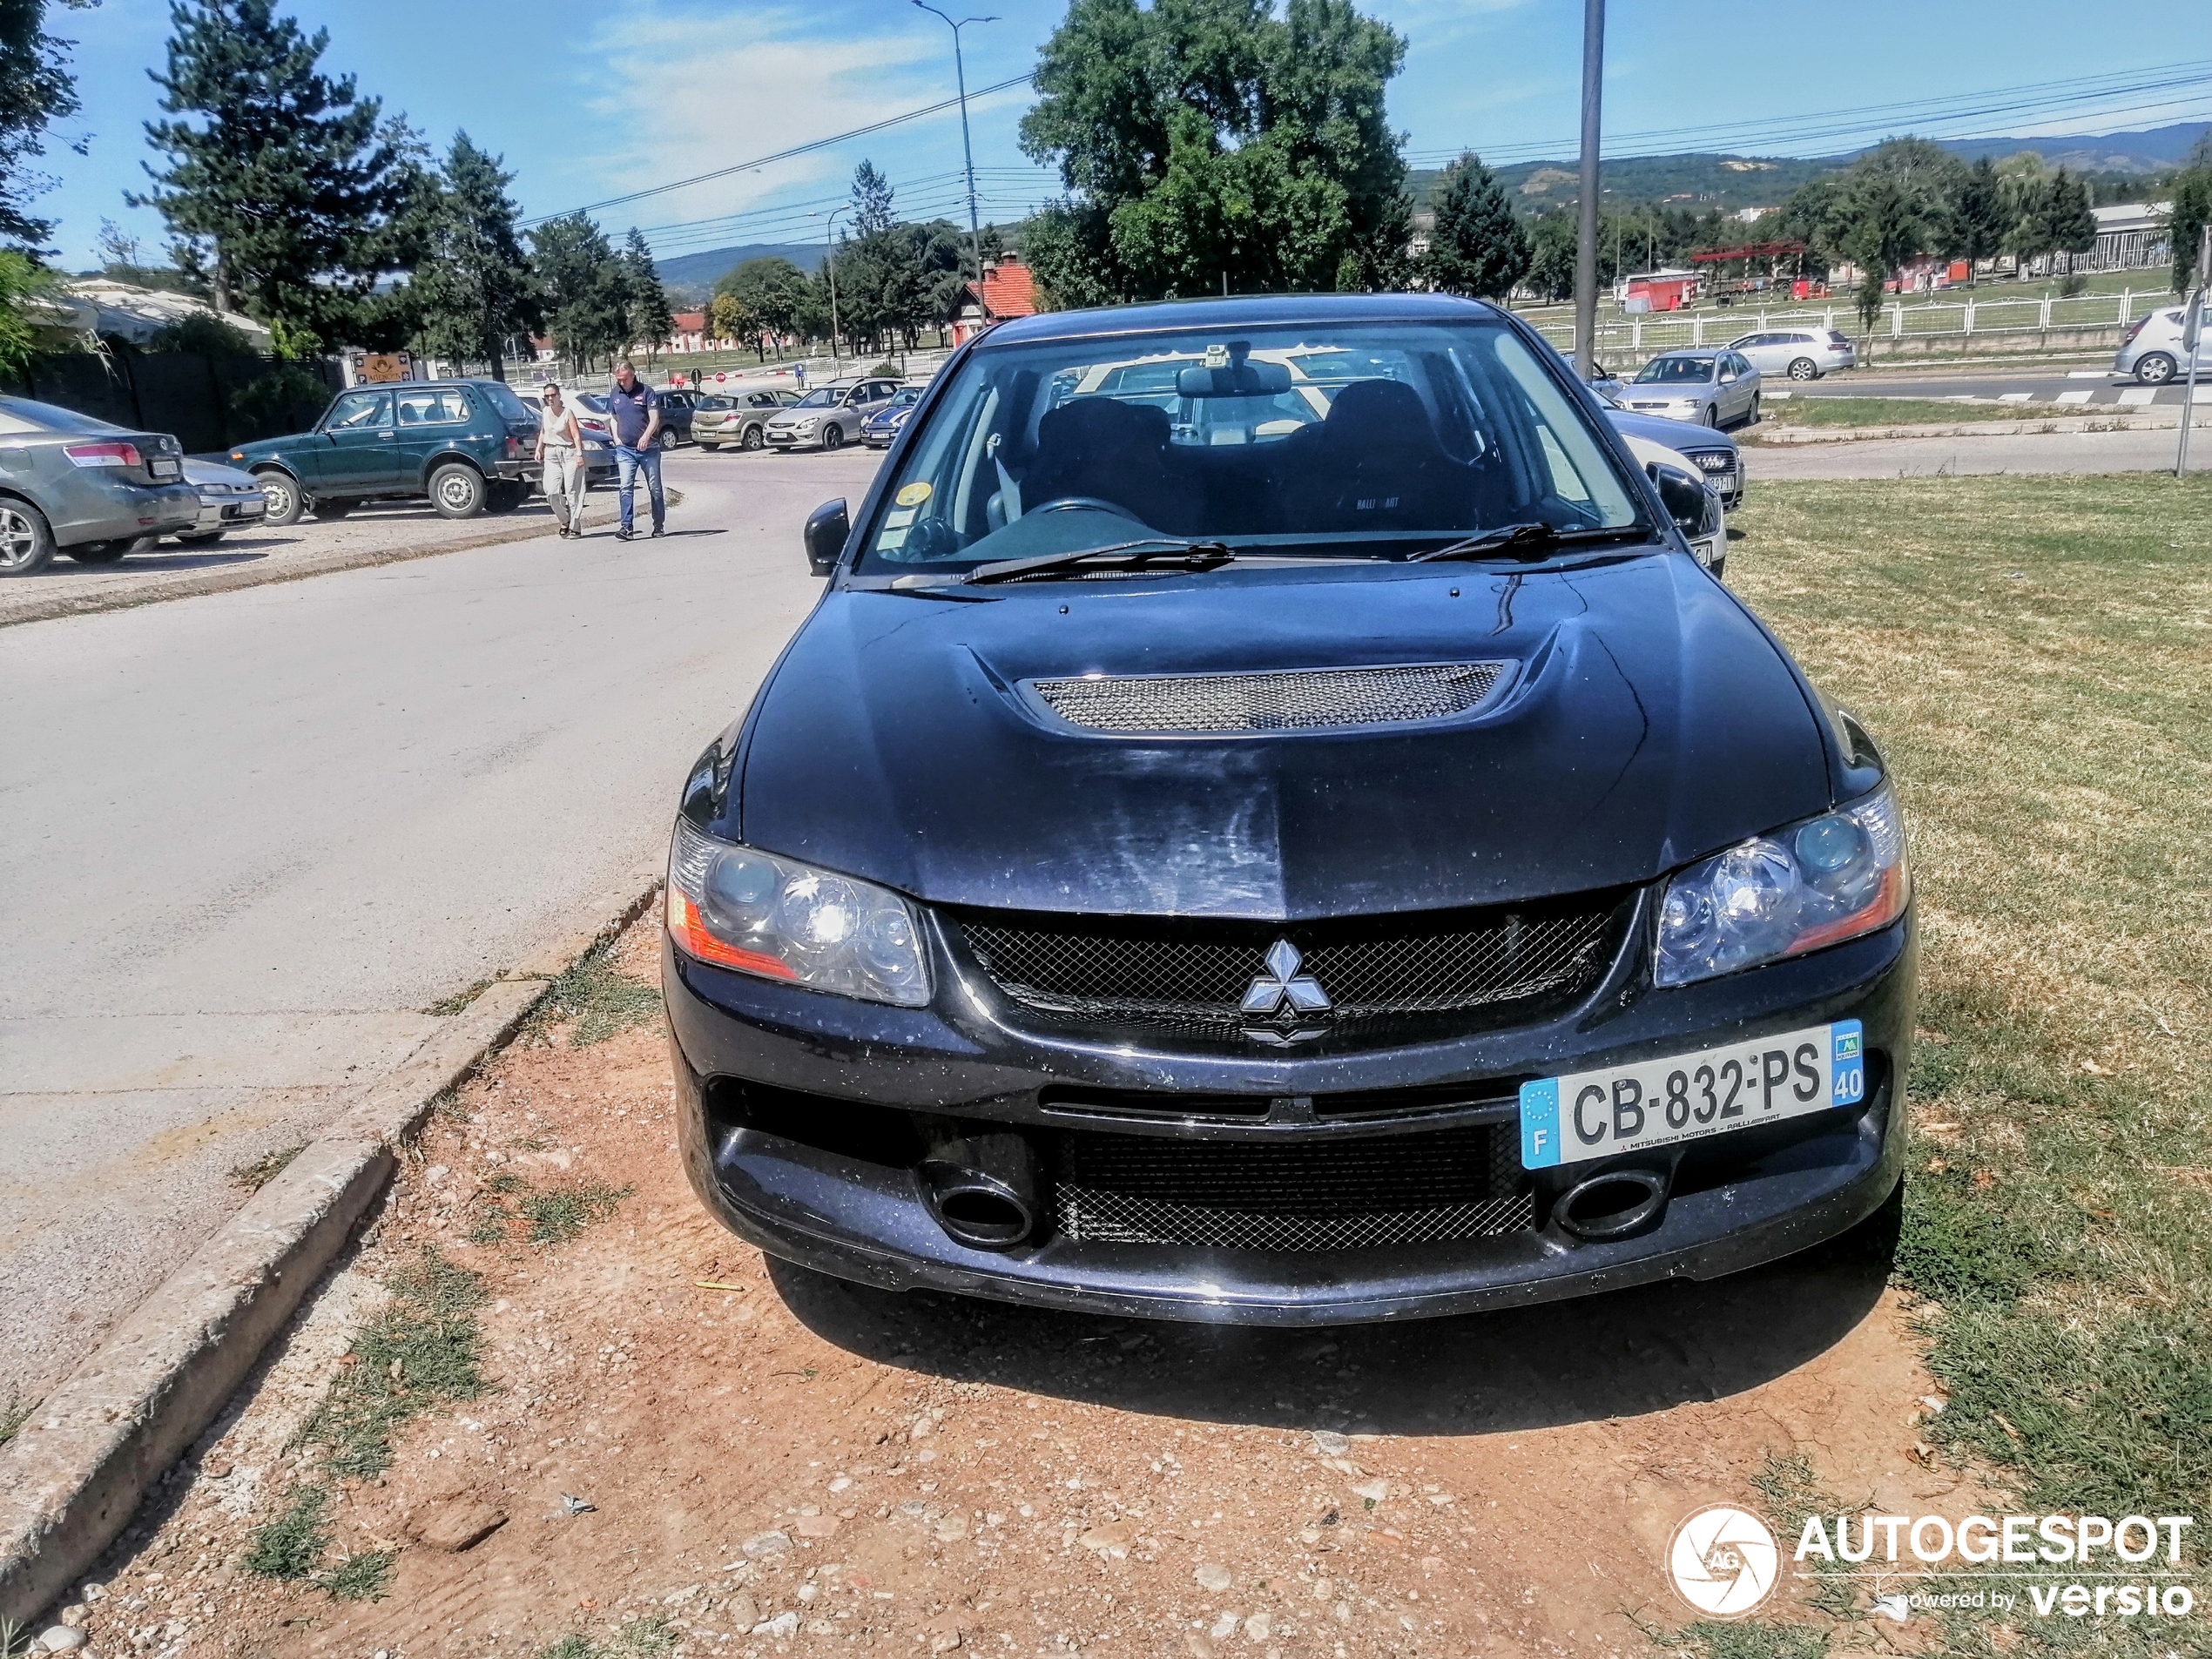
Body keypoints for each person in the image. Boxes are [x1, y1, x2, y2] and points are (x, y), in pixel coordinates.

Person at [604, 361, 665, 540]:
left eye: (624, 379)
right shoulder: (615, 393)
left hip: (649, 450)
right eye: (618, 379)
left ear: (632, 375)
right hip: (625, 451)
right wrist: (616, 438)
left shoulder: (647, 392)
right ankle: (626, 527)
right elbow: (613, 417)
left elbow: (654, 418)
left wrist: (646, 436)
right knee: (625, 487)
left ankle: (658, 525)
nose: (621, 383)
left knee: (655, 488)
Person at [536, 382, 587, 538]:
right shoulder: (545, 412)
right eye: (547, 396)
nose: (550, 398)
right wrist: (539, 448)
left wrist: (579, 454)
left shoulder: (567, 413)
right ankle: (565, 520)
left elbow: (576, 434)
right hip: (551, 453)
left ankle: (575, 526)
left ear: (559, 396)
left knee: (572, 491)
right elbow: (543, 432)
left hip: (569, 452)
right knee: (551, 491)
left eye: (553, 395)